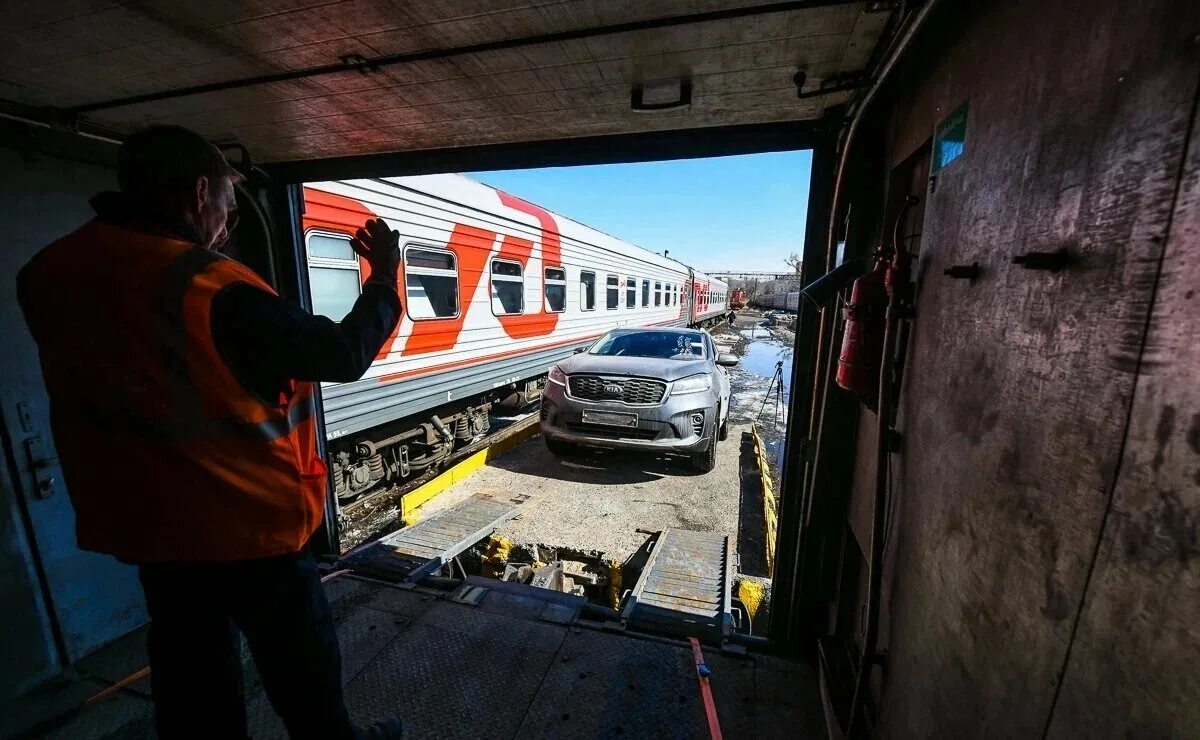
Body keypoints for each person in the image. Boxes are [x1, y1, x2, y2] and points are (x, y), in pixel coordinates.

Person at [17, 126, 404, 740]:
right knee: (305, 684)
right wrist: (385, 276)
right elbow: (342, 353)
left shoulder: (46, 272)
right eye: (228, 195)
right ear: (201, 191)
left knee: (195, 686)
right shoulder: (212, 287)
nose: (230, 213)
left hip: (152, 528)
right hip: (250, 531)